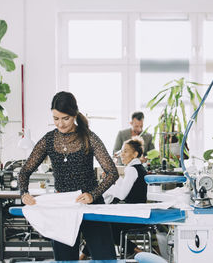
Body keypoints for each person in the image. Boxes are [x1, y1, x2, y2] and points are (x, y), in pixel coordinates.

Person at [18, 91, 118, 261]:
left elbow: (112, 172)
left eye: (65, 118)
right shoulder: (48, 140)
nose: (61, 124)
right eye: (56, 118)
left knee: (106, 258)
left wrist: (93, 195)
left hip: (90, 205)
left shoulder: (88, 137)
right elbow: (25, 171)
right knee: (65, 260)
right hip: (62, 207)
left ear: (74, 114)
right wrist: (23, 193)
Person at [80, 136, 148, 260]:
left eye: (126, 151)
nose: (122, 154)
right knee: (105, 226)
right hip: (137, 212)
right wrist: (113, 179)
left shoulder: (132, 170)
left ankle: (83, 256)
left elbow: (122, 194)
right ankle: (136, 250)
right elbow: (125, 187)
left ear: (135, 154)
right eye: (122, 151)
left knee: (103, 226)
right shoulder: (137, 168)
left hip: (134, 214)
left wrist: (108, 184)